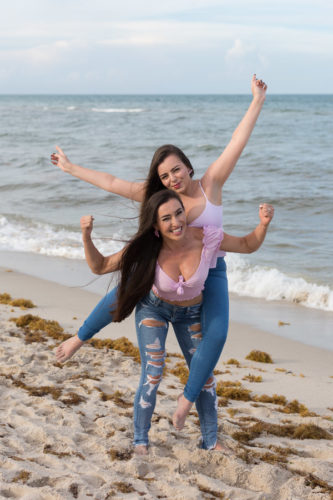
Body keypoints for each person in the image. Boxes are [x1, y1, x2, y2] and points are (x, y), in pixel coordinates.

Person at [52, 75, 268, 429]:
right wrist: (70, 167)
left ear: (188, 166)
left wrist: (257, 100)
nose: (171, 179)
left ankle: (186, 400)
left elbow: (236, 143)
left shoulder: (211, 183)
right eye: (164, 175)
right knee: (126, 288)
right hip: (167, 265)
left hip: (209, 272)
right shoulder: (160, 200)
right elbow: (111, 182)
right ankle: (79, 338)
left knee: (217, 332)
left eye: (176, 170)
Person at [60, 189, 274, 454]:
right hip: (154, 309)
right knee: (152, 373)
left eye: (179, 213)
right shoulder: (148, 249)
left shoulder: (207, 237)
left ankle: (210, 440)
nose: (176, 222)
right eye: (167, 218)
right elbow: (101, 266)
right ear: (156, 226)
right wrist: (86, 236)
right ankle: (140, 441)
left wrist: (263, 226)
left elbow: (246, 245)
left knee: (204, 376)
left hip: (191, 314)